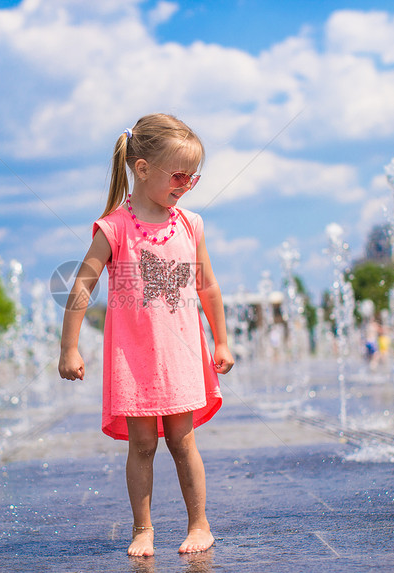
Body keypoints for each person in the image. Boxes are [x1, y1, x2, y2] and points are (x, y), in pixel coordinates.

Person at [59, 113, 235, 557]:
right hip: (133, 358)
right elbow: (83, 284)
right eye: (178, 175)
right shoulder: (114, 227)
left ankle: (199, 524)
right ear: (141, 169)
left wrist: (222, 340)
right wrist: (69, 346)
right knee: (142, 444)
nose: (185, 185)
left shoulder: (190, 224)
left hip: (180, 354)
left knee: (182, 440)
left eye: (192, 179)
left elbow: (208, 286)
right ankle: (143, 528)